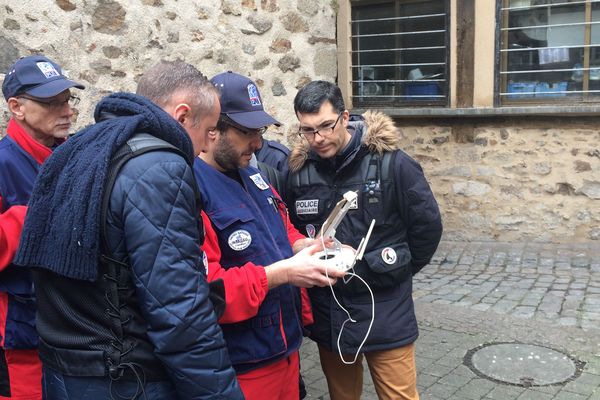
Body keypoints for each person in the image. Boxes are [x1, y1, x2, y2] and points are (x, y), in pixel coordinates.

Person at [13, 61, 243, 399]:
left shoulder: (82, 147)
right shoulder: (160, 167)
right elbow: (179, 313)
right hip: (126, 379)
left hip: (63, 372)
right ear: (181, 116)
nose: (206, 147)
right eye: (208, 131)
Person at [286, 80, 443, 400]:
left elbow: (427, 226)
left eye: (326, 126)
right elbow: (293, 230)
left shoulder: (391, 162)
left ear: (344, 117)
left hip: (386, 309)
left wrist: (394, 267)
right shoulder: (299, 172)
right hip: (332, 313)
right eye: (308, 130)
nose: (318, 139)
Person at [194, 71, 346, 400]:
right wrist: (282, 274)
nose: (258, 143)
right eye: (246, 131)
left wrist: (302, 244)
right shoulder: (191, 188)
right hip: (243, 363)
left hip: (286, 347)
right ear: (213, 129)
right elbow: (209, 291)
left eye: (259, 130)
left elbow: (280, 227)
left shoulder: (255, 173)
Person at [0, 55, 84, 400]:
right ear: (16, 107)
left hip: (75, 333)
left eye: (67, 100)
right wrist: (34, 216)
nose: (67, 111)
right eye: (52, 103)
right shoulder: (3, 163)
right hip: (22, 340)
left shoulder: (75, 156)